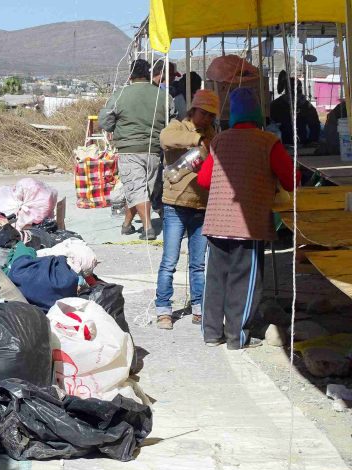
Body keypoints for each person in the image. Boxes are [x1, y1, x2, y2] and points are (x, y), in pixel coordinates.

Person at [197, 88, 300, 350]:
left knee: (216, 278)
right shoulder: (267, 142)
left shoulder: (218, 141)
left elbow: (204, 180)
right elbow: (290, 180)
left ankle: (211, 333)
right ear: (258, 113)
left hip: (216, 223)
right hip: (248, 223)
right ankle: (236, 337)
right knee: (245, 281)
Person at [155, 89, 219, 330]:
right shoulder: (177, 128)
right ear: (193, 110)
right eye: (204, 113)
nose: (208, 119)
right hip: (175, 206)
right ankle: (163, 309)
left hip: (201, 206)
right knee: (169, 261)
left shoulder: (212, 134)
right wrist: (197, 140)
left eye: (212, 115)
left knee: (198, 263)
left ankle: (199, 308)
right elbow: (165, 139)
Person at [100, 59, 175, 240]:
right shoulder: (163, 96)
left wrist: (115, 128)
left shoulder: (120, 95)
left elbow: (105, 121)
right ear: (149, 74)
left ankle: (148, 228)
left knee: (137, 189)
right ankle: (127, 225)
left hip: (129, 149)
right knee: (141, 191)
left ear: (130, 75)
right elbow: (172, 120)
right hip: (154, 151)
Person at [269, 72, 321, 146]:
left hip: (284, 143)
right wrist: (312, 141)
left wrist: (312, 141)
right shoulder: (306, 105)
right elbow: (315, 126)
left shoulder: (276, 104)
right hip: (289, 143)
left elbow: (315, 125)